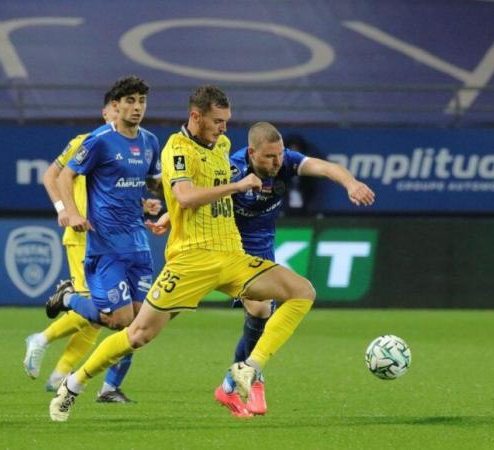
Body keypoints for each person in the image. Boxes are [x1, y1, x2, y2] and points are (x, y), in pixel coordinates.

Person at [48, 85, 316, 422]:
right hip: (192, 261)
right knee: (137, 334)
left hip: (231, 255)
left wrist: (168, 213)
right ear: (196, 116)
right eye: (218, 121)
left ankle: (250, 367)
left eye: (227, 120)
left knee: (302, 291)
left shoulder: (224, 146)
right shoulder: (176, 148)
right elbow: (187, 196)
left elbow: (202, 199)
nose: (223, 127)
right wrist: (235, 186)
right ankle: (73, 385)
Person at [219, 122, 374, 415]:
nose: (277, 162)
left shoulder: (286, 161)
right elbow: (204, 200)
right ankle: (248, 378)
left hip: (264, 250)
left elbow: (327, 168)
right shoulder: (232, 170)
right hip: (233, 250)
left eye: (280, 155)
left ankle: (232, 382)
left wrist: (351, 184)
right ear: (252, 153)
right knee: (261, 311)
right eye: (269, 157)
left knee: (262, 317)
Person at [31, 75, 162, 404]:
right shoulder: (98, 140)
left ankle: (109, 389)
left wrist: (154, 200)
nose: (136, 108)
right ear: (114, 107)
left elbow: (151, 182)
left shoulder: (149, 141)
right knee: (116, 320)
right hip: (105, 244)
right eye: (130, 102)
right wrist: (70, 212)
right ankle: (69, 300)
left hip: (138, 244)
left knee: (136, 326)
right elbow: (62, 175)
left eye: (141, 102)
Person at [22, 85, 119, 394]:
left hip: (112, 239)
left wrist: (143, 206)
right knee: (95, 308)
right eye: (116, 107)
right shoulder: (85, 142)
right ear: (106, 112)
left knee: (101, 318)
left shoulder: (128, 149)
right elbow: (50, 175)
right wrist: (64, 209)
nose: (124, 112)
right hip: (83, 236)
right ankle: (41, 339)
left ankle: (59, 376)